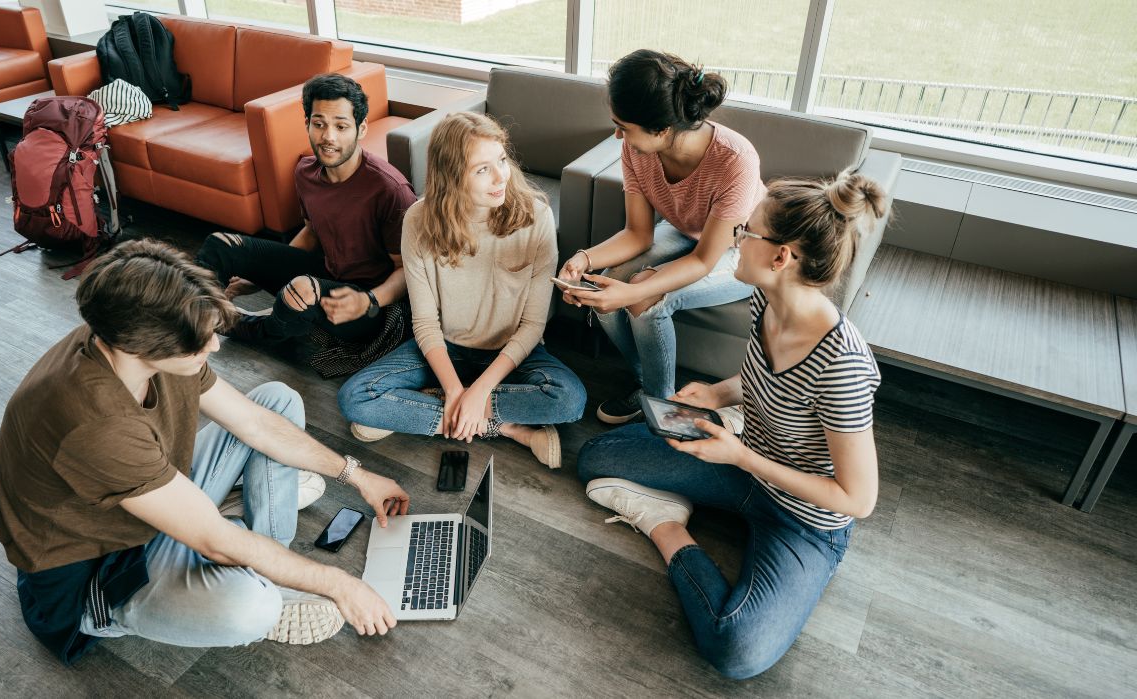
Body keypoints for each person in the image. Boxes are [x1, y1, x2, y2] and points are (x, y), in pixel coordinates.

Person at [0, 239, 411, 665]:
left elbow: (255, 423)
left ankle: (260, 553)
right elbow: (214, 542)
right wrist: (338, 583)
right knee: (252, 609)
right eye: (201, 342)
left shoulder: (130, 329)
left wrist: (357, 475)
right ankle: (242, 566)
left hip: (140, 503)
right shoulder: (94, 422)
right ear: (145, 346)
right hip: (97, 571)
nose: (214, 347)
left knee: (277, 401)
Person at [577, 170, 887, 679]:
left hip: (804, 520)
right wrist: (719, 393)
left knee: (736, 650)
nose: (736, 239)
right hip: (743, 466)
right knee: (596, 457)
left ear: (781, 256)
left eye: (747, 232)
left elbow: (858, 500)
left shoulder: (843, 368)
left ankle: (666, 526)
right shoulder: (766, 299)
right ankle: (684, 498)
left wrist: (740, 455)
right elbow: (762, 374)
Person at [338, 112, 586, 468]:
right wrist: (457, 391)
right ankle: (505, 427)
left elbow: (532, 326)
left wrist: (481, 389)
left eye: (501, 160)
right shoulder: (419, 221)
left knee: (569, 401)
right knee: (355, 399)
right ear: (452, 176)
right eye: (482, 169)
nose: (502, 176)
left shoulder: (536, 216)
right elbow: (424, 322)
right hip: (445, 348)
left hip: (511, 352)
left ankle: (430, 409)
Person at [559, 49, 765, 423]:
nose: (617, 133)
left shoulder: (735, 160)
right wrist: (584, 258)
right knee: (605, 288)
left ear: (663, 129)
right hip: (686, 230)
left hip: (743, 248)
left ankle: (664, 409)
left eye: (624, 125)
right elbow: (637, 234)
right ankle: (647, 386)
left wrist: (636, 291)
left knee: (644, 299)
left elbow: (705, 258)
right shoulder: (635, 149)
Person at [194, 73, 416, 348]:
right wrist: (259, 276)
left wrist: (368, 301)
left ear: (361, 129)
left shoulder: (390, 190)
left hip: (368, 305)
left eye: (341, 126)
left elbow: (408, 270)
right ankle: (192, 323)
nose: (328, 137)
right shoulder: (306, 172)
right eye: (319, 124)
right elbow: (312, 232)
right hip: (326, 273)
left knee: (300, 289)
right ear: (307, 124)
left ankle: (240, 326)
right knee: (220, 244)